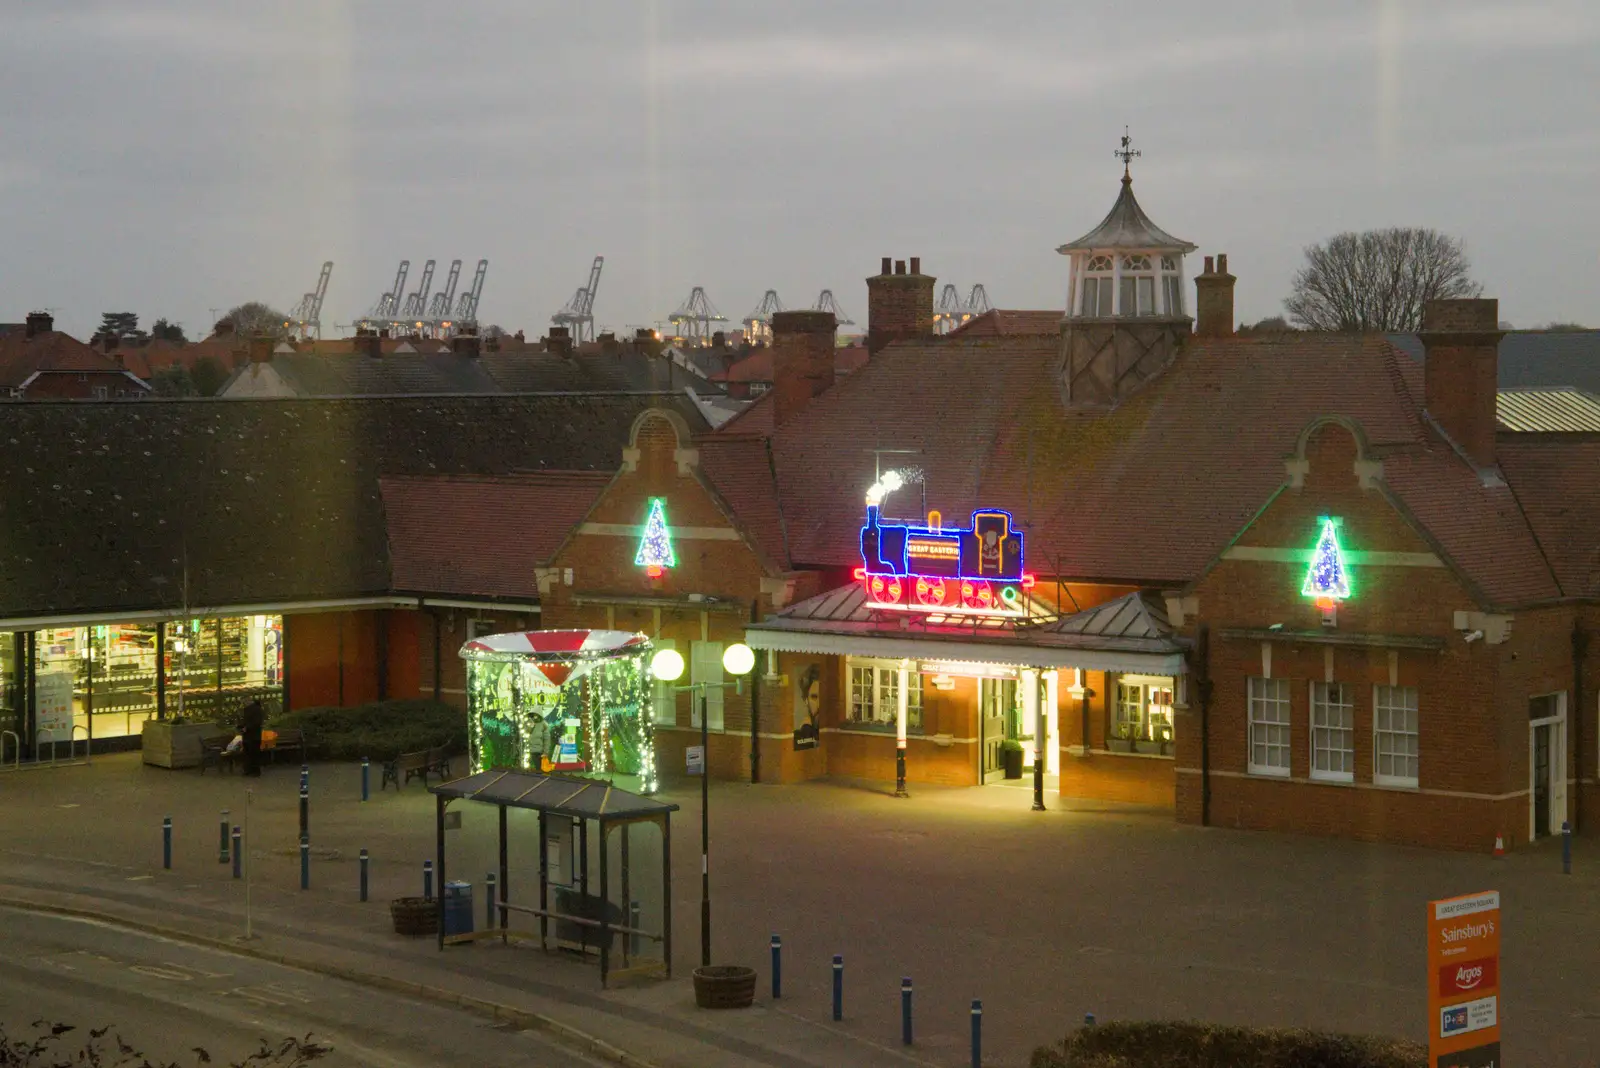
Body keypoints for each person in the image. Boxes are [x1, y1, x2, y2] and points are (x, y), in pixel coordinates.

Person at [240, 698, 265, 777]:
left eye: (244, 702)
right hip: (250, 735)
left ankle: (254, 771)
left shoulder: (255, 709)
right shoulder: (249, 709)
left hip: (253, 735)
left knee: (253, 753)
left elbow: (257, 722)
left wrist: (246, 727)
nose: (243, 704)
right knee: (249, 753)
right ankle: (249, 770)